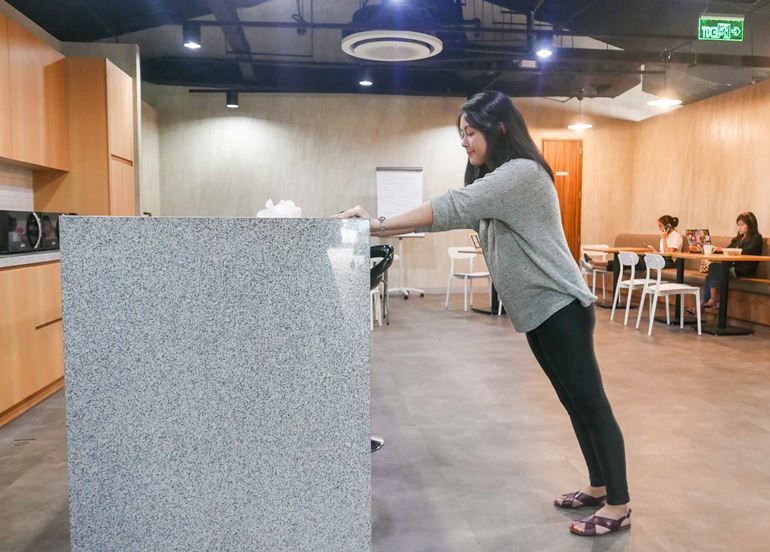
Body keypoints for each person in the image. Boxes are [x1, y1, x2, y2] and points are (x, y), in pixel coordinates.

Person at [333, 91, 630, 537]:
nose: (465, 143)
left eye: (470, 132)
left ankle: (620, 504)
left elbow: (450, 206)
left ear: (499, 129)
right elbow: (445, 216)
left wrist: (372, 225)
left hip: (561, 309)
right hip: (540, 313)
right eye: (461, 135)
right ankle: (598, 485)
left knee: (591, 404)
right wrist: (378, 223)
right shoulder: (496, 177)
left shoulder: (521, 174)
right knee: (574, 402)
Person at [703, 212, 763, 309]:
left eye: (742, 225)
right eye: (738, 225)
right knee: (711, 273)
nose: (739, 228)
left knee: (713, 269)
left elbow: (748, 251)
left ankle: (712, 300)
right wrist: (716, 249)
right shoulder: (738, 239)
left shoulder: (756, 238)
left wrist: (724, 250)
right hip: (732, 269)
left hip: (744, 271)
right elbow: (727, 249)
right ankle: (704, 306)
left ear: (750, 225)